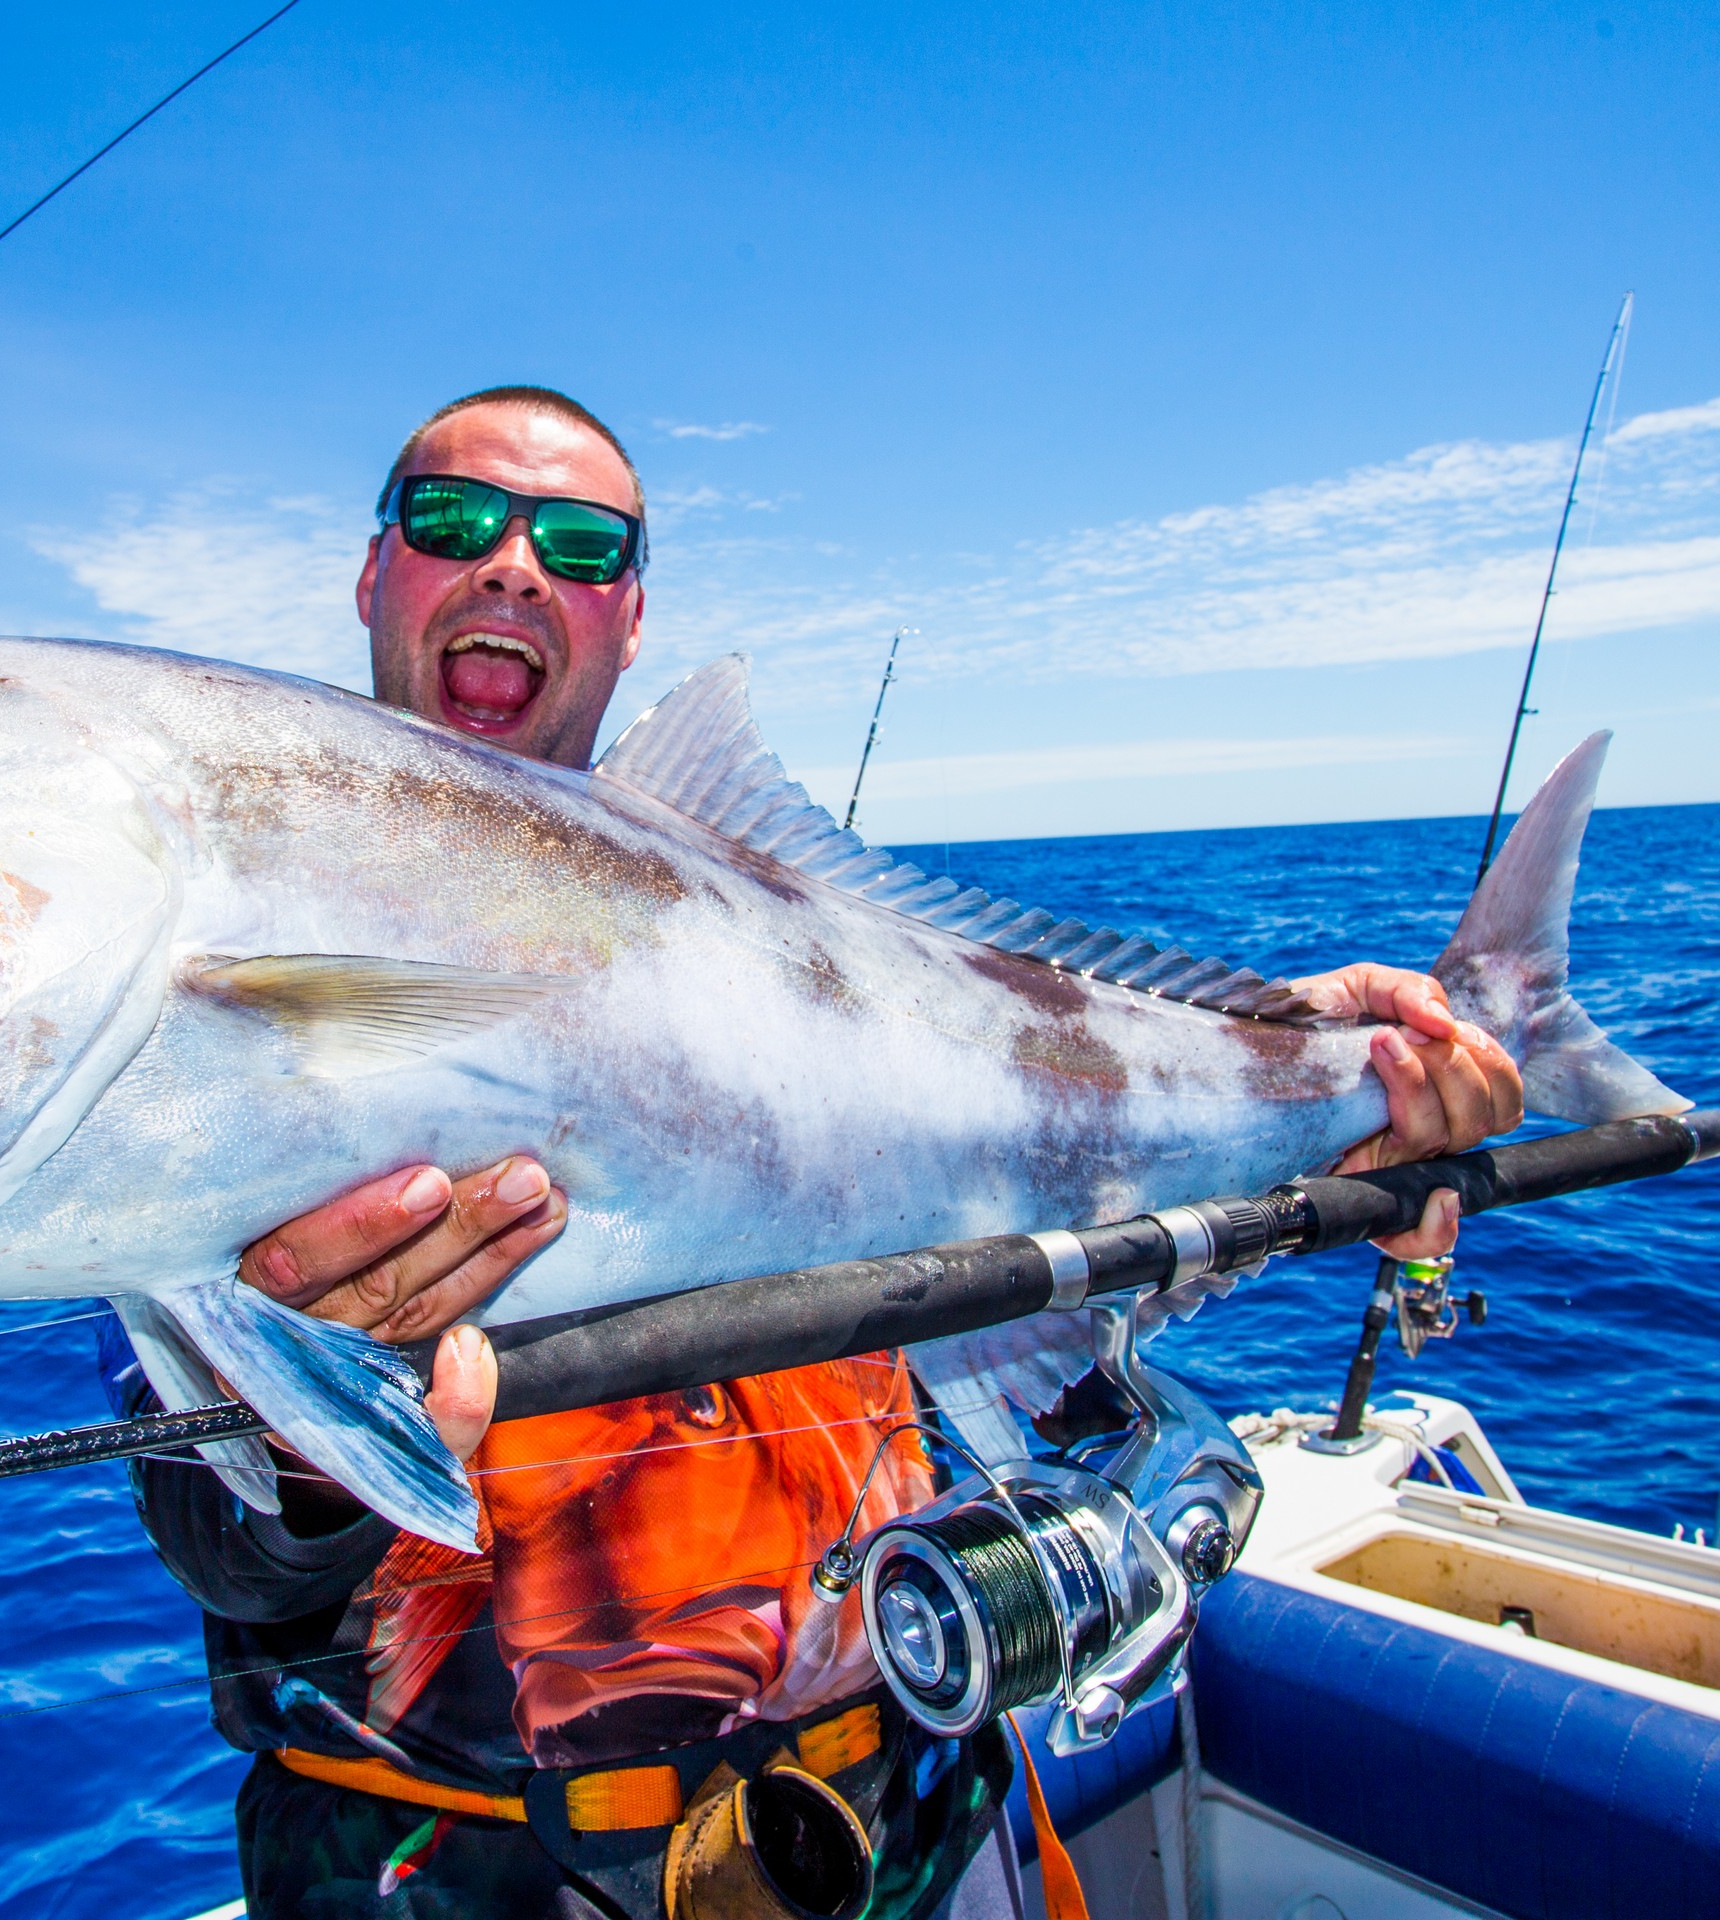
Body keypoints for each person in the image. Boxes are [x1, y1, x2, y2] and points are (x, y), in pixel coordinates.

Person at [102, 386, 1523, 1917]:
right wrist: (308, 1440)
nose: (514, 564)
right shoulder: (247, 965)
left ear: (629, 616)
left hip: (905, 1792)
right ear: (377, 573)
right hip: (443, 1866)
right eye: (455, 519)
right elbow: (229, 1546)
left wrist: (1308, 1063)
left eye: (579, 544)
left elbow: (1035, 1092)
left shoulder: (793, 948)